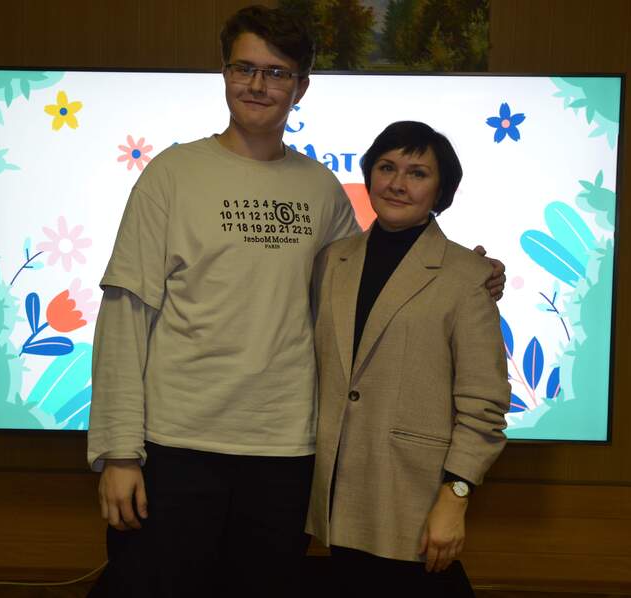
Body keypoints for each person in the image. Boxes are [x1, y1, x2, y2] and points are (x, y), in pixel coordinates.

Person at [87, 6, 506, 598]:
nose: (258, 85)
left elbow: (373, 282)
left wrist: (474, 274)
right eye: (245, 68)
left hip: (288, 457)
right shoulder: (171, 175)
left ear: (300, 87)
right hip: (176, 447)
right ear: (225, 73)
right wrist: (119, 453)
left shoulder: (321, 190)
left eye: (277, 73)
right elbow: (125, 316)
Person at [306, 121, 511, 597]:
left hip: (413, 497)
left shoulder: (467, 275)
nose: (398, 183)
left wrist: (456, 496)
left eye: (417, 173)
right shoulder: (330, 261)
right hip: (333, 492)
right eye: (386, 168)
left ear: (441, 190)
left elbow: (484, 405)